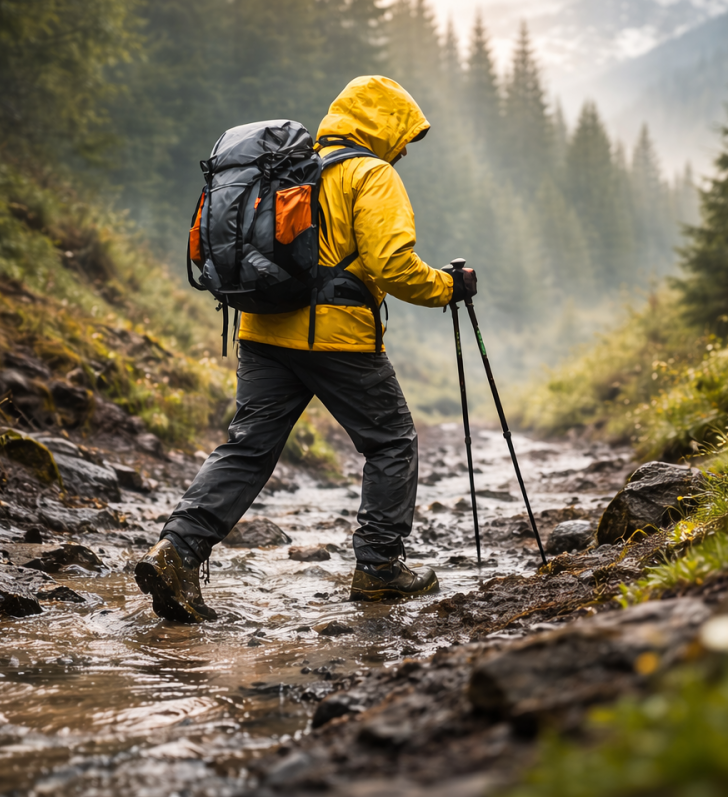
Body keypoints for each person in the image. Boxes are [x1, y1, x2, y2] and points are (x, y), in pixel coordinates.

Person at [135, 75, 478, 623]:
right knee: (390, 442)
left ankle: (176, 551)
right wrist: (448, 287)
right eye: (404, 133)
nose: (406, 147)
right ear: (380, 125)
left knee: (247, 449)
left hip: (263, 330)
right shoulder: (371, 174)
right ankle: (379, 569)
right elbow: (393, 266)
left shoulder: (287, 171)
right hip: (336, 336)